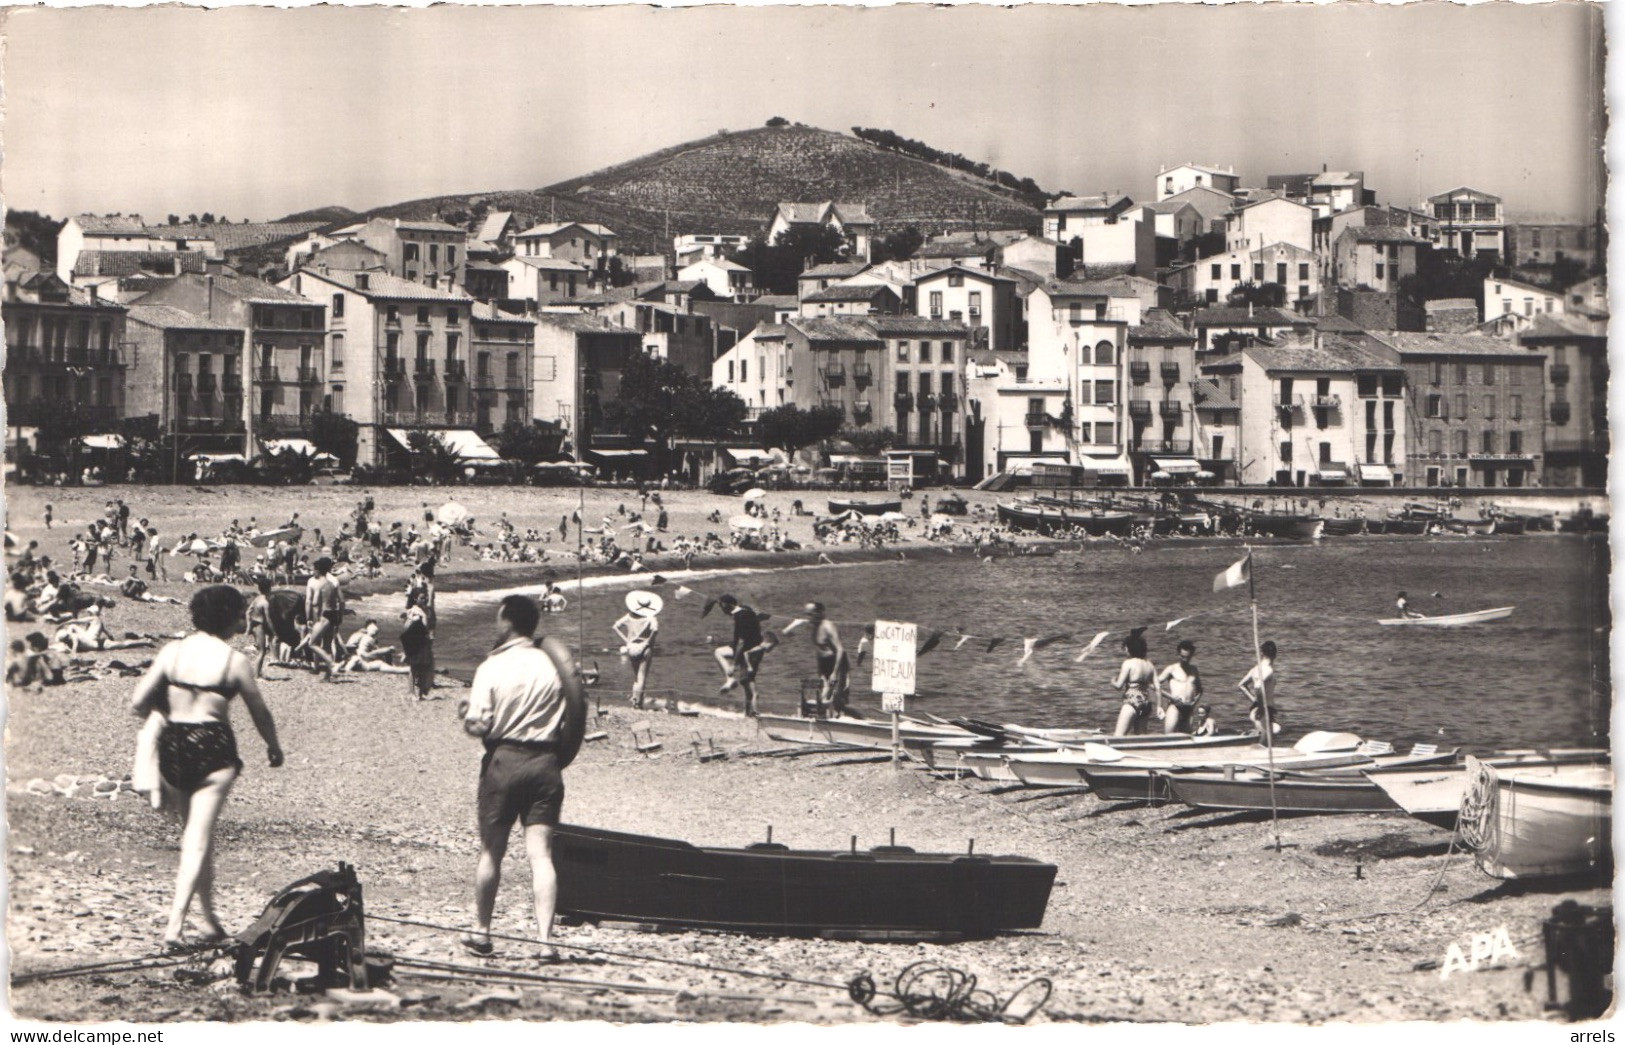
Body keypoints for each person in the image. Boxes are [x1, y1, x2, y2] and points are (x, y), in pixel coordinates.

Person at [128, 585, 283, 950]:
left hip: (175, 746)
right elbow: (259, 712)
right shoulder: (234, 661)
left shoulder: (174, 651)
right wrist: (273, 746)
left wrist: (166, 709)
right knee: (197, 840)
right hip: (214, 747)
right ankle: (174, 926)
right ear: (229, 617)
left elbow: (137, 702)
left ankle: (211, 921)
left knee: (198, 838)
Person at [459, 594, 586, 961]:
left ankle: (482, 933)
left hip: (505, 762)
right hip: (546, 764)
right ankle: (546, 942)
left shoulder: (491, 666)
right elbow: (571, 714)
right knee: (541, 856)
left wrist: (467, 716)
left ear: (506, 622)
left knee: (492, 852)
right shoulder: (552, 666)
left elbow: (480, 723)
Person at [714, 594, 770, 716]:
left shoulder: (741, 616)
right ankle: (748, 713)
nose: (723, 610)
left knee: (748, 681)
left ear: (729, 605)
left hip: (749, 652)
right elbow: (758, 616)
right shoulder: (745, 610)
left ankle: (731, 680)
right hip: (751, 649)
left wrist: (733, 665)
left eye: (722, 607)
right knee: (746, 681)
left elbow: (742, 641)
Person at [611, 590, 662, 710]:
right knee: (642, 676)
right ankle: (639, 703)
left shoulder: (629, 616)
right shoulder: (650, 617)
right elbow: (655, 630)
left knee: (636, 677)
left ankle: (634, 700)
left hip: (631, 647)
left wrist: (626, 640)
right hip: (644, 648)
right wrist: (648, 641)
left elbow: (615, 626)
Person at [294, 557, 343, 680]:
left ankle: (332, 664)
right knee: (327, 646)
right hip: (333, 615)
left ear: (318, 570)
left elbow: (313, 603)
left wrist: (309, 618)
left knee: (312, 643)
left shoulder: (320, 584)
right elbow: (342, 601)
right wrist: (340, 617)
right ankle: (328, 675)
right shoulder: (332, 583)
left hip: (324, 616)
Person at [805, 602, 851, 717]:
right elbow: (819, 649)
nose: (808, 617)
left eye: (811, 614)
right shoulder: (814, 627)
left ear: (820, 612)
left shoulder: (828, 626)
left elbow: (840, 649)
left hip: (837, 663)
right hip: (824, 664)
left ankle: (855, 719)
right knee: (824, 697)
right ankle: (825, 720)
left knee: (838, 698)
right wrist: (820, 671)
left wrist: (835, 672)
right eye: (807, 614)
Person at [1111, 632, 1158, 737]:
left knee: (1118, 736)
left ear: (1130, 648)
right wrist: (1159, 706)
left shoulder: (1128, 663)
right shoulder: (1149, 665)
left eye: (1126, 648)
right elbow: (1157, 687)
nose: (1125, 651)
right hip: (1145, 702)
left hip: (1132, 701)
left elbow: (1119, 686)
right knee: (1141, 737)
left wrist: (1113, 681)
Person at [1156, 640, 1203, 734]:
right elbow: (1154, 684)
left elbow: (1200, 690)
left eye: (1188, 657)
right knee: (1169, 739)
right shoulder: (1172, 669)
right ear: (1178, 654)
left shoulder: (1194, 670)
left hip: (1189, 709)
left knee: (1186, 740)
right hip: (1175, 707)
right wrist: (1171, 697)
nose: (1185, 660)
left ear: (1191, 655)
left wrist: (1194, 702)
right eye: (1182, 657)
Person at [1238, 640, 1281, 736]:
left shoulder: (1255, 668)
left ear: (1262, 653)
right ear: (1275, 654)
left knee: (1268, 736)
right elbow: (1258, 686)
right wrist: (1261, 707)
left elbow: (1241, 685)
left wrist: (1255, 701)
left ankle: (1250, 734)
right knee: (1264, 744)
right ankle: (1250, 735)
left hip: (1257, 710)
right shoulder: (1268, 670)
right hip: (1263, 711)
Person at [400, 597, 435, 699]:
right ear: (415, 599)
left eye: (424, 596)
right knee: (414, 668)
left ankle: (420, 694)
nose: (424, 599)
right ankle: (412, 693)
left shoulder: (425, 611)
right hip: (416, 643)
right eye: (421, 597)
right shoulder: (413, 611)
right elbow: (406, 627)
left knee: (423, 667)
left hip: (423, 642)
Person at [342, 620, 408, 673]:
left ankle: (400, 666)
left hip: (366, 658)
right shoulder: (368, 638)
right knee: (389, 652)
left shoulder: (362, 636)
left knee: (395, 668)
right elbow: (376, 650)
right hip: (366, 657)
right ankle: (396, 665)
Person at [245, 577, 274, 678]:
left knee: (260, 650)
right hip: (260, 627)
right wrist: (273, 631)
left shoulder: (257, 599)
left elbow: (248, 611)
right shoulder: (265, 603)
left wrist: (249, 625)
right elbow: (269, 619)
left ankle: (258, 672)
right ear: (269, 589)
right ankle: (256, 675)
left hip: (254, 625)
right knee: (262, 651)